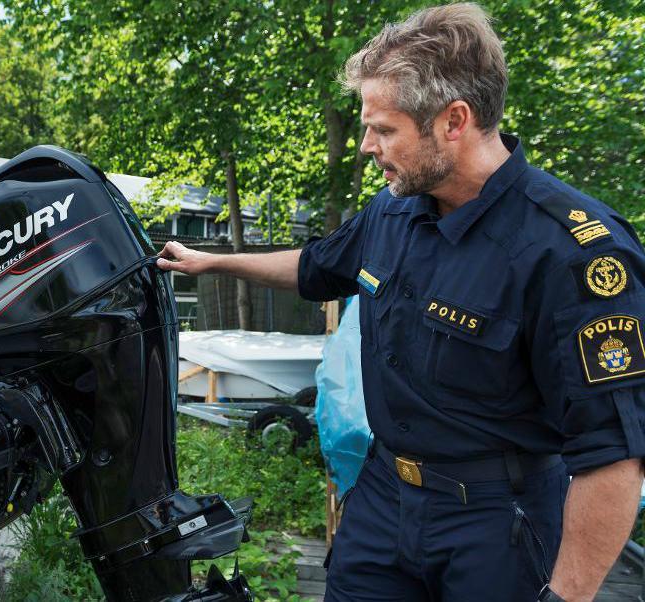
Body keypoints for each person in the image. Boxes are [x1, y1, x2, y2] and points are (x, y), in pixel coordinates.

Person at [157, 4, 644, 601]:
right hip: (385, 501)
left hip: (499, 525)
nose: (367, 147)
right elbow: (314, 266)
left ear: (453, 121)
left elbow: (614, 455)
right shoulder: (395, 210)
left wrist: (566, 596)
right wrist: (212, 261)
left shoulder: (572, 253)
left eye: (384, 130)